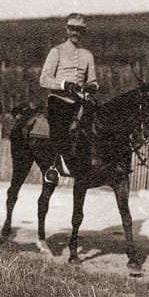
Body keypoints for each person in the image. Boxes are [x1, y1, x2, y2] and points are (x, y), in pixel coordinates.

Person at [39, 12, 98, 183]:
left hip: (81, 100)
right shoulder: (56, 51)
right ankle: (54, 167)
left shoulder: (87, 55)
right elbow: (44, 79)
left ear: (83, 31)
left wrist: (92, 86)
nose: (75, 33)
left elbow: (92, 79)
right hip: (59, 99)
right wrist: (64, 84)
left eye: (79, 30)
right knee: (60, 127)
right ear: (67, 29)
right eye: (72, 29)